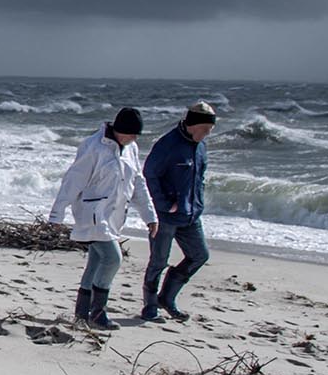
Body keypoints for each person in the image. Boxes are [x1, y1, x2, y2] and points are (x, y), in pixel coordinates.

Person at [48, 107, 158, 330]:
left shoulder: (131, 149)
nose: (135, 138)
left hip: (114, 217)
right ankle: (98, 312)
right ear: (120, 130)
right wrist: (57, 214)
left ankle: (81, 314)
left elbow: (137, 183)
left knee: (96, 261)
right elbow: (73, 181)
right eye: (132, 133)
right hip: (93, 216)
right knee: (113, 259)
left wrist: (150, 216)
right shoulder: (93, 147)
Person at [139, 101, 217, 322]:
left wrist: (198, 203)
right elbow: (149, 174)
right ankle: (150, 306)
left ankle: (167, 297)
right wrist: (163, 203)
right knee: (158, 260)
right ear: (193, 125)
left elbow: (199, 178)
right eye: (205, 129)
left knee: (200, 255)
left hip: (191, 215)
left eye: (210, 130)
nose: (207, 134)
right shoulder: (168, 145)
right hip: (166, 216)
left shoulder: (201, 146)